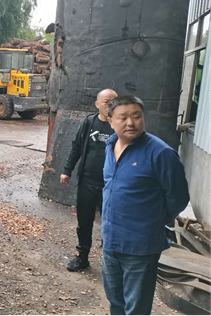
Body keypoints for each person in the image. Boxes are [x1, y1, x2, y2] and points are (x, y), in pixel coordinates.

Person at [102, 95, 189, 316]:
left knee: (136, 309)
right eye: (123, 117)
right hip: (111, 242)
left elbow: (178, 197)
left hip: (140, 248)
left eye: (136, 116)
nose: (130, 123)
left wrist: (152, 221)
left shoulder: (160, 153)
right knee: (116, 303)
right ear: (110, 121)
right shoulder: (110, 146)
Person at [60, 88, 117, 271]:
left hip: (111, 186)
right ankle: (82, 257)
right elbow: (76, 147)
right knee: (84, 223)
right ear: (97, 104)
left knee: (111, 225)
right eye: (106, 102)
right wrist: (67, 170)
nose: (110, 105)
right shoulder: (89, 123)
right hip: (87, 182)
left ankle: (111, 262)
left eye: (114, 101)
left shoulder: (120, 125)